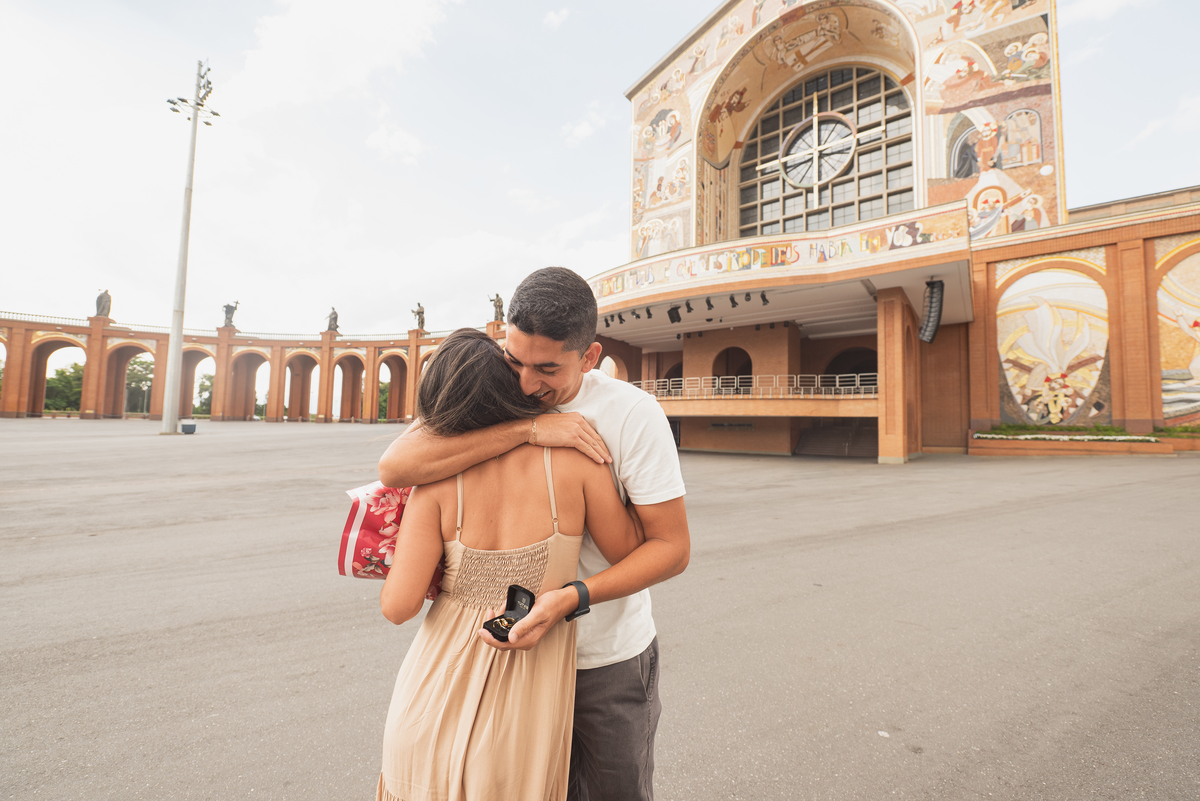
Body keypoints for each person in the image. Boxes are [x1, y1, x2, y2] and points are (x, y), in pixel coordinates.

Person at [379, 267, 690, 801]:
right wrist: (530, 428)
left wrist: (573, 597)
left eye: (547, 368)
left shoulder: (630, 415)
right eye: (514, 360)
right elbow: (394, 465)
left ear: (589, 357)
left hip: (602, 660)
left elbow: (670, 548)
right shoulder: (496, 406)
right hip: (512, 662)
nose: (525, 384)